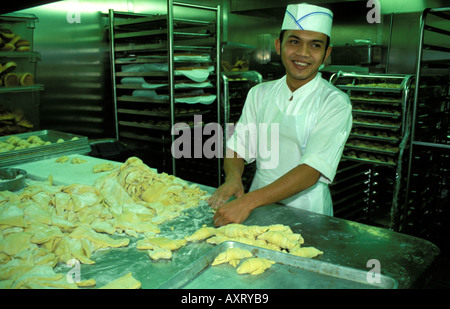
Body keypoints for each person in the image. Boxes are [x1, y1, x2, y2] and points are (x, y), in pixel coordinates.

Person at [209, 3, 352, 227]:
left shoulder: (334, 102)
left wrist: (247, 202)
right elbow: (238, 145)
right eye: (294, 42)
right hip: (256, 208)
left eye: (315, 45)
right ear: (278, 45)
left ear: (327, 53)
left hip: (308, 212)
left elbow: (311, 171)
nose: (303, 53)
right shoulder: (260, 93)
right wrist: (233, 179)